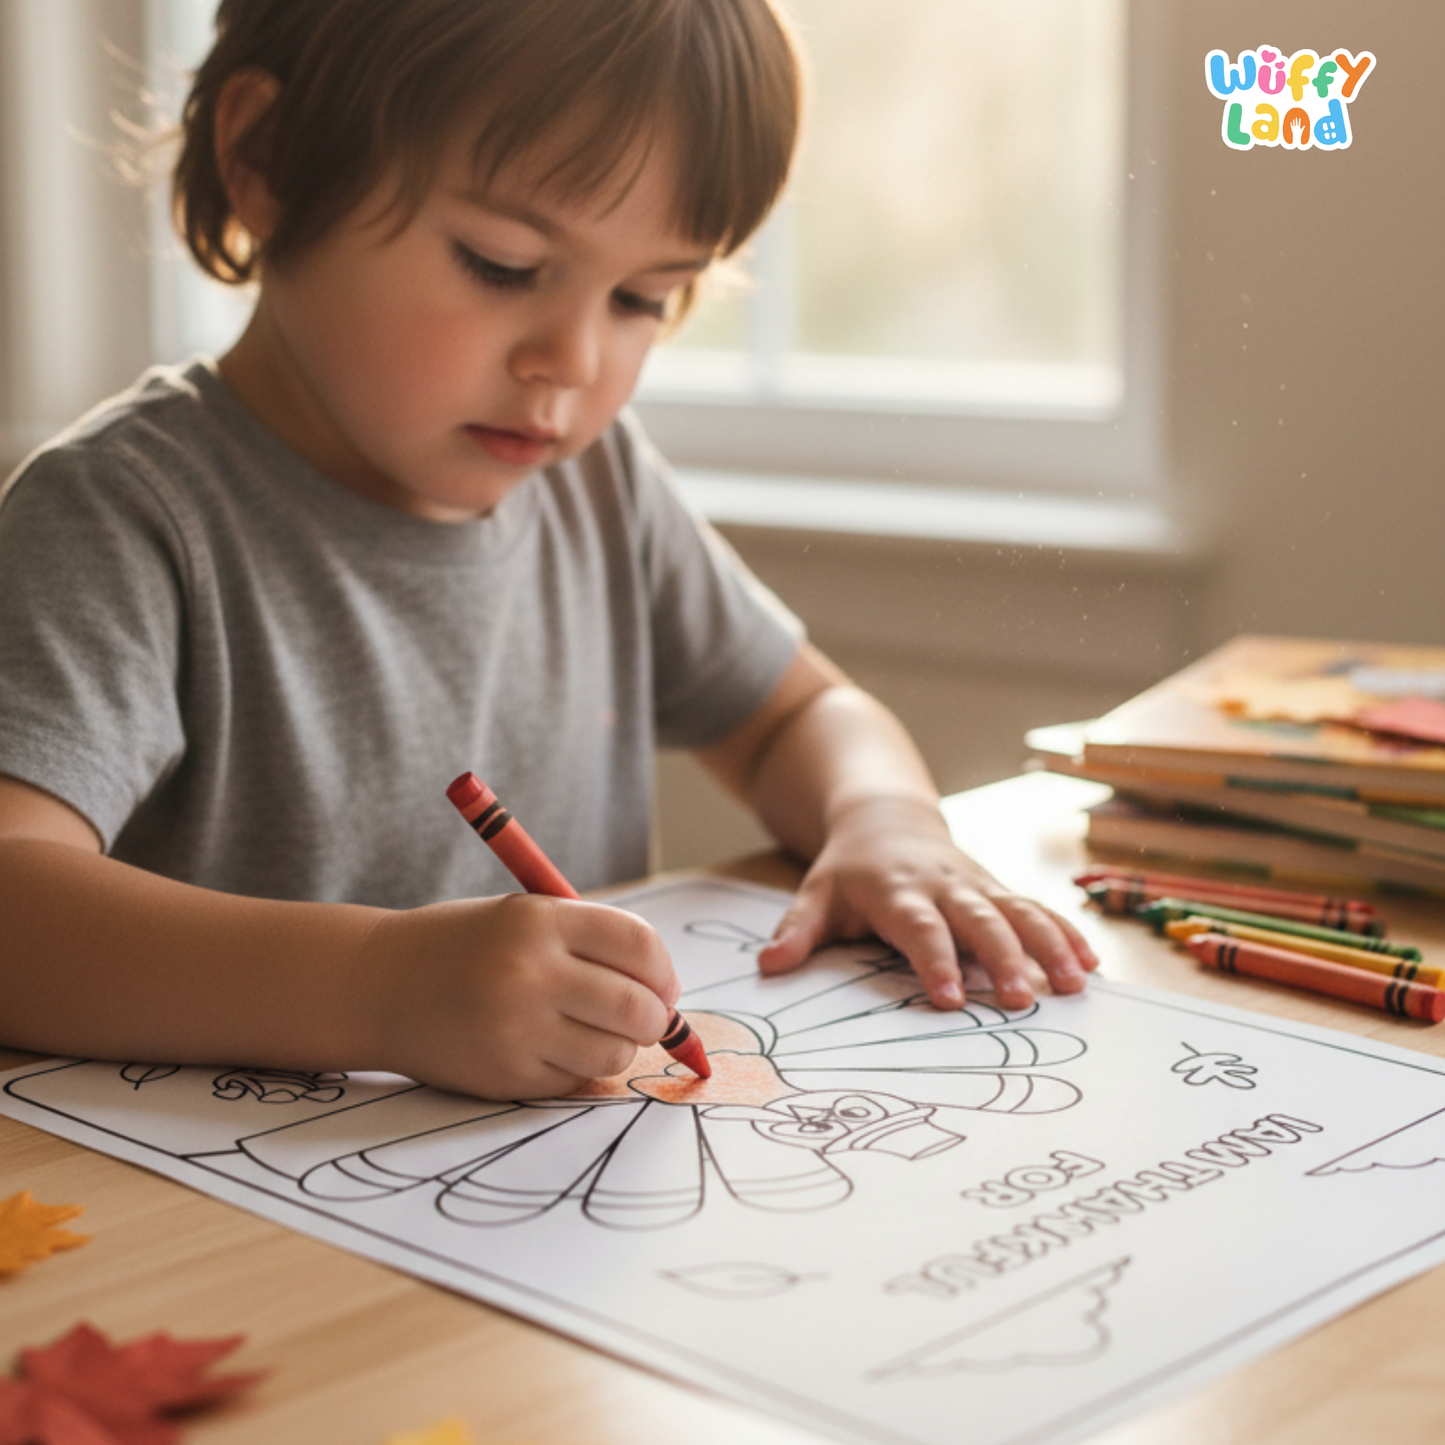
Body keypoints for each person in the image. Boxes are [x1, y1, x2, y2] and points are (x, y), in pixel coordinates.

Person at [0, 0, 1096, 1102]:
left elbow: (796, 714)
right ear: (267, 160)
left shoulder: (595, 484)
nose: (570, 359)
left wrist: (885, 819)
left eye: (642, 297)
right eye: (500, 262)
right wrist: (378, 986)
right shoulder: (122, 516)